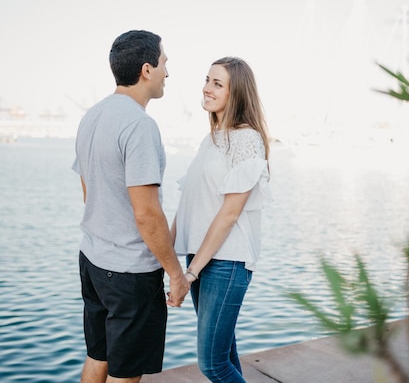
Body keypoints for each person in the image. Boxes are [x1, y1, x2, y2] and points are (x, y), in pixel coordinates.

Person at [72, 30, 189, 383]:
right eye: (164, 63)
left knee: (98, 355)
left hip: (93, 260)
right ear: (146, 69)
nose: (168, 72)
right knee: (126, 373)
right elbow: (147, 213)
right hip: (129, 274)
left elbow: (87, 190)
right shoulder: (139, 126)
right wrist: (175, 273)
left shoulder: (92, 115)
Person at [172, 57, 271, 382]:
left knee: (213, 363)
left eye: (217, 83)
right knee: (224, 353)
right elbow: (190, 205)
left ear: (237, 93)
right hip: (202, 259)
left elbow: (229, 214)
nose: (206, 88)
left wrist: (190, 272)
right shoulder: (211, 140)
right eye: (207, 80)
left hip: (225, 262)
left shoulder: (247, 139)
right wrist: (165, 260)